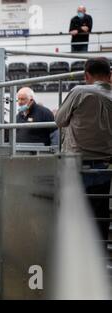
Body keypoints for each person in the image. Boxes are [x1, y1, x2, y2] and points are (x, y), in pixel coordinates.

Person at [55, 57, 112, 242]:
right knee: (100, 213)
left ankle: (76, 257)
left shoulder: (79, 91)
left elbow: (60, 120)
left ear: (86, 75)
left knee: (74, 213)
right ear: (109, 76)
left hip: (77, 163)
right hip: (105, 165)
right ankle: (100, 256)